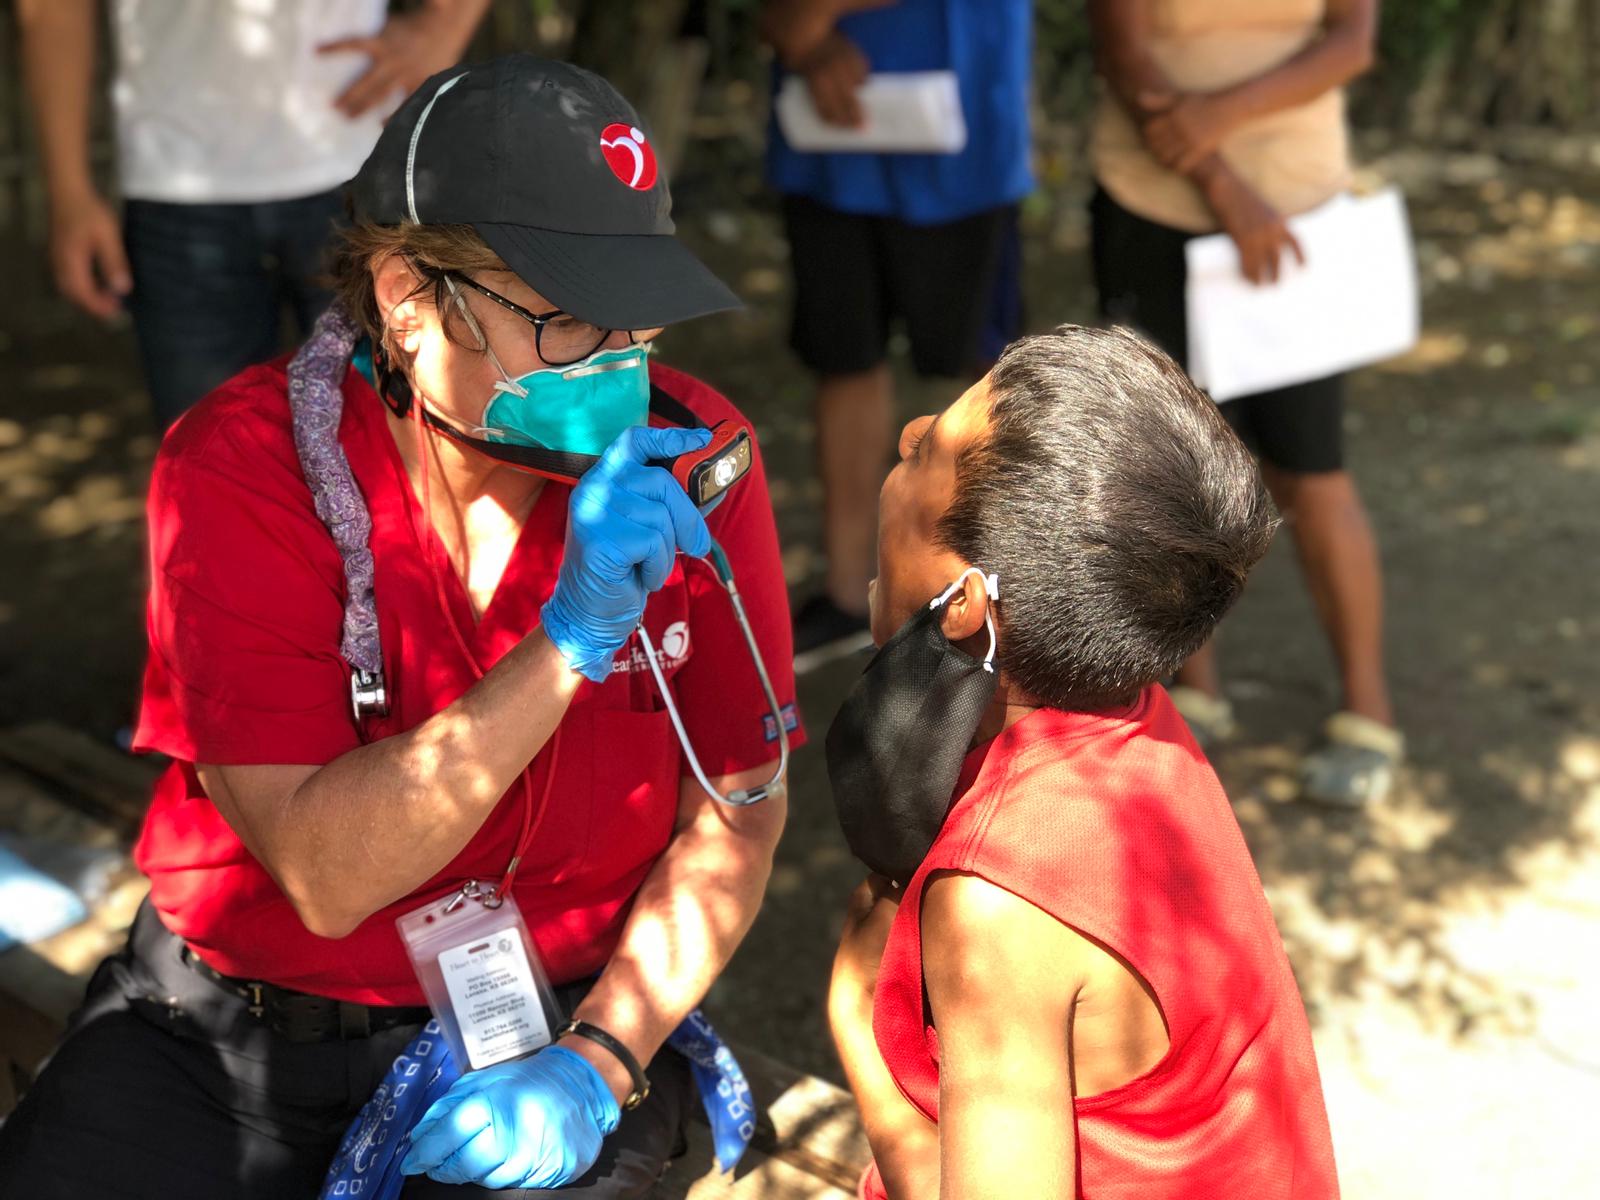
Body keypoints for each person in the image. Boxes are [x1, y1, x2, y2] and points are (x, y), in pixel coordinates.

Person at [0, 57, 801, 1199]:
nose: (623, 369)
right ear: (407, 300)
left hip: (559, 1032)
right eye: (568, 320)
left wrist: (599, 1059)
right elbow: (325, 879)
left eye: (638, 316)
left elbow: (744, 816)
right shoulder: (241, 472)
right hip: (233, 1039)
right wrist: (567, 642)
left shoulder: (697, 463)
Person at [825, 326, 1339, 1198]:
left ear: (964, 608)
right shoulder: (1134, 711)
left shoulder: (1000, 901)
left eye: (924, 454)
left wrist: (859, 1042)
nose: (907, 434)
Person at [1087, 0, 1400, 806]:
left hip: (1299, 213)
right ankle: (1189, 698)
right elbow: (1124, 51)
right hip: (1152, 206)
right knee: (1163, 468)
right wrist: (1220, 180)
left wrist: (1213, 120)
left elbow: (1351, 40)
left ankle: (1368, 706)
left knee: (1312, 468)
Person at [16, 0, 490, 428]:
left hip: (358, 163)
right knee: (213, 475)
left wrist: (442, 27)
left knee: (394, 461)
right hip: (175, 182)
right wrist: (69, 190)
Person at [760, 0, 1033, 658]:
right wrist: (796, 31)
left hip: (963, 129)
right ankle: (851, 593)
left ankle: (1014, 583)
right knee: (844, 357)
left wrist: (815, 11)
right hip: (829, 132)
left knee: (989, 370)